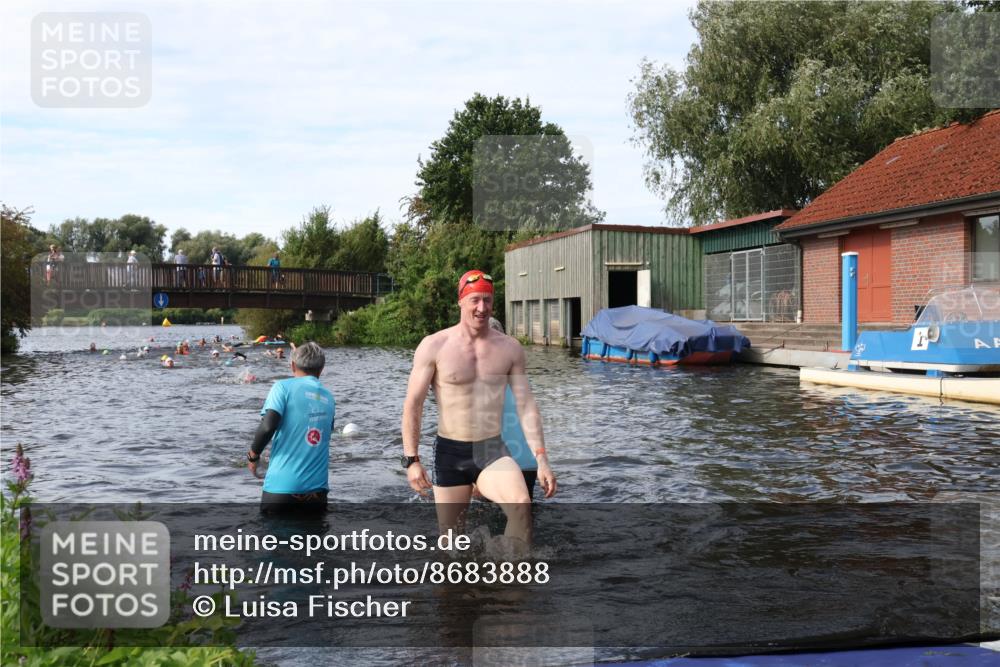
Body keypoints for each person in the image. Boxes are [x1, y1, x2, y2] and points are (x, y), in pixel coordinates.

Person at [401, 270, 556, 547]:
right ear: (460, 301)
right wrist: (411, 460)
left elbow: (526, 404)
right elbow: (414, 404)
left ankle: (511, 583)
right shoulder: (434, 346)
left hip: (491, 449)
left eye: (487, 300)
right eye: (475, 300)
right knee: (450, 544)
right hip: (450, 452)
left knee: (521, 505)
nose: (482, 308)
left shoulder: (509, 349)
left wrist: (541, 457)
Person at [247, 342, 335, 514]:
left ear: (292, 365)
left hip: (282, 490)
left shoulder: (282, 387)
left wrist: (253, 456)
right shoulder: (329, 397)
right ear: (322, 369)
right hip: (317, 493)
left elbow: (267, 426)